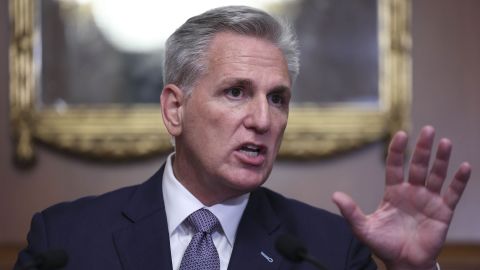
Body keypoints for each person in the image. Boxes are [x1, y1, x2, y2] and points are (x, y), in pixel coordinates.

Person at [15, 6, 471, 270]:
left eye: (278, 99)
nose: (263, 119)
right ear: (175, 108)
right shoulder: (66, 240)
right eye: (236, 92)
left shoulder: (328, 250)